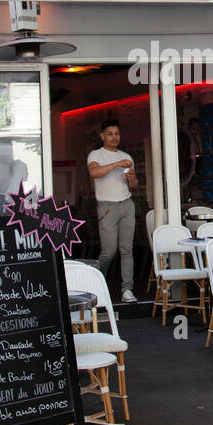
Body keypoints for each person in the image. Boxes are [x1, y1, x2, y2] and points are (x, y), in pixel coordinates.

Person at [87, 120, 138, 302]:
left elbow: (133, 184)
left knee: (127, 249)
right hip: (106, 206)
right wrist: (115, 164)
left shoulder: (127, 157)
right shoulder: (96, 154)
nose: (114, 137)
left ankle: (127, 290)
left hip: (126, 203)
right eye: (110, 133)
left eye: (117, 133)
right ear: (102, 136)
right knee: (108, 251)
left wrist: (131, 177)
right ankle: (94, 285)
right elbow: (94, 173)